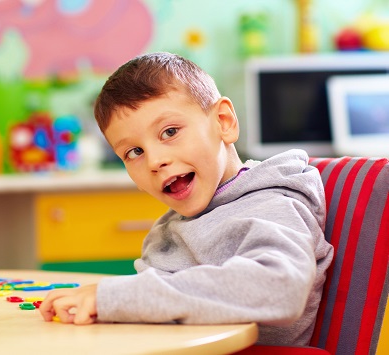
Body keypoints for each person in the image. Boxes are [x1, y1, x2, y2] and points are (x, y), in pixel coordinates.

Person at [38, 52, 333, 346]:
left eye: (169, 132)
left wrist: (115, 297)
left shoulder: (269, 204)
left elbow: (279, 287)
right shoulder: (170, 228)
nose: (154, 161)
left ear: (223, 121)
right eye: (134, 152)